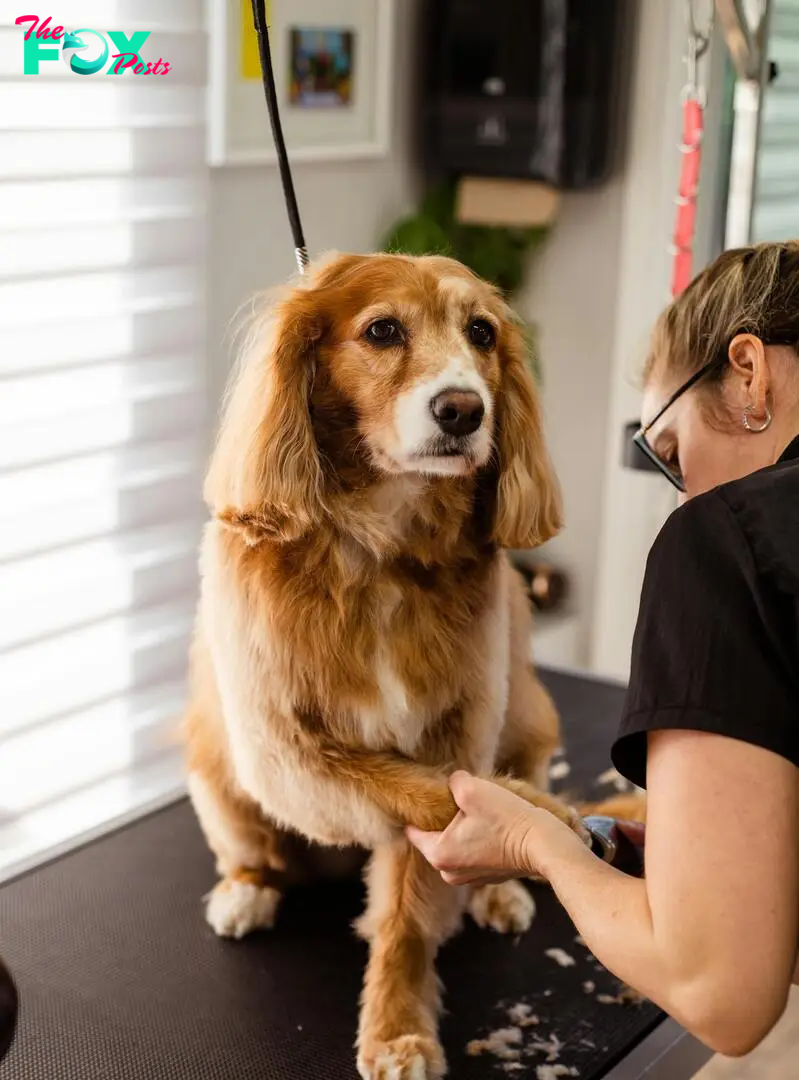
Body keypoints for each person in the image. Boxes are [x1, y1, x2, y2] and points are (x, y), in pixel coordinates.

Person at [408, 240, 799, 1059]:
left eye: (668, 450)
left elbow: (720, 996)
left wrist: (535, 846)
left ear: (749, 373)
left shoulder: (724, 538)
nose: (684, 489)